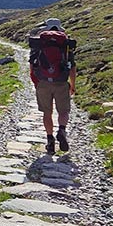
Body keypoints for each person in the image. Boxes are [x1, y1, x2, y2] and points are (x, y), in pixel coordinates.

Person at [29, 17, 77, 154]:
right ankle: (61, 130)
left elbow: (32, 66)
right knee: (63, 111)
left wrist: (36, 82)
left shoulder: (40, 43)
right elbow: (72, 68)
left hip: (43, 83)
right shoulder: (65, 43)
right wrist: (72, 85)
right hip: (61, 82)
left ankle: (50, 141)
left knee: (47, 112)